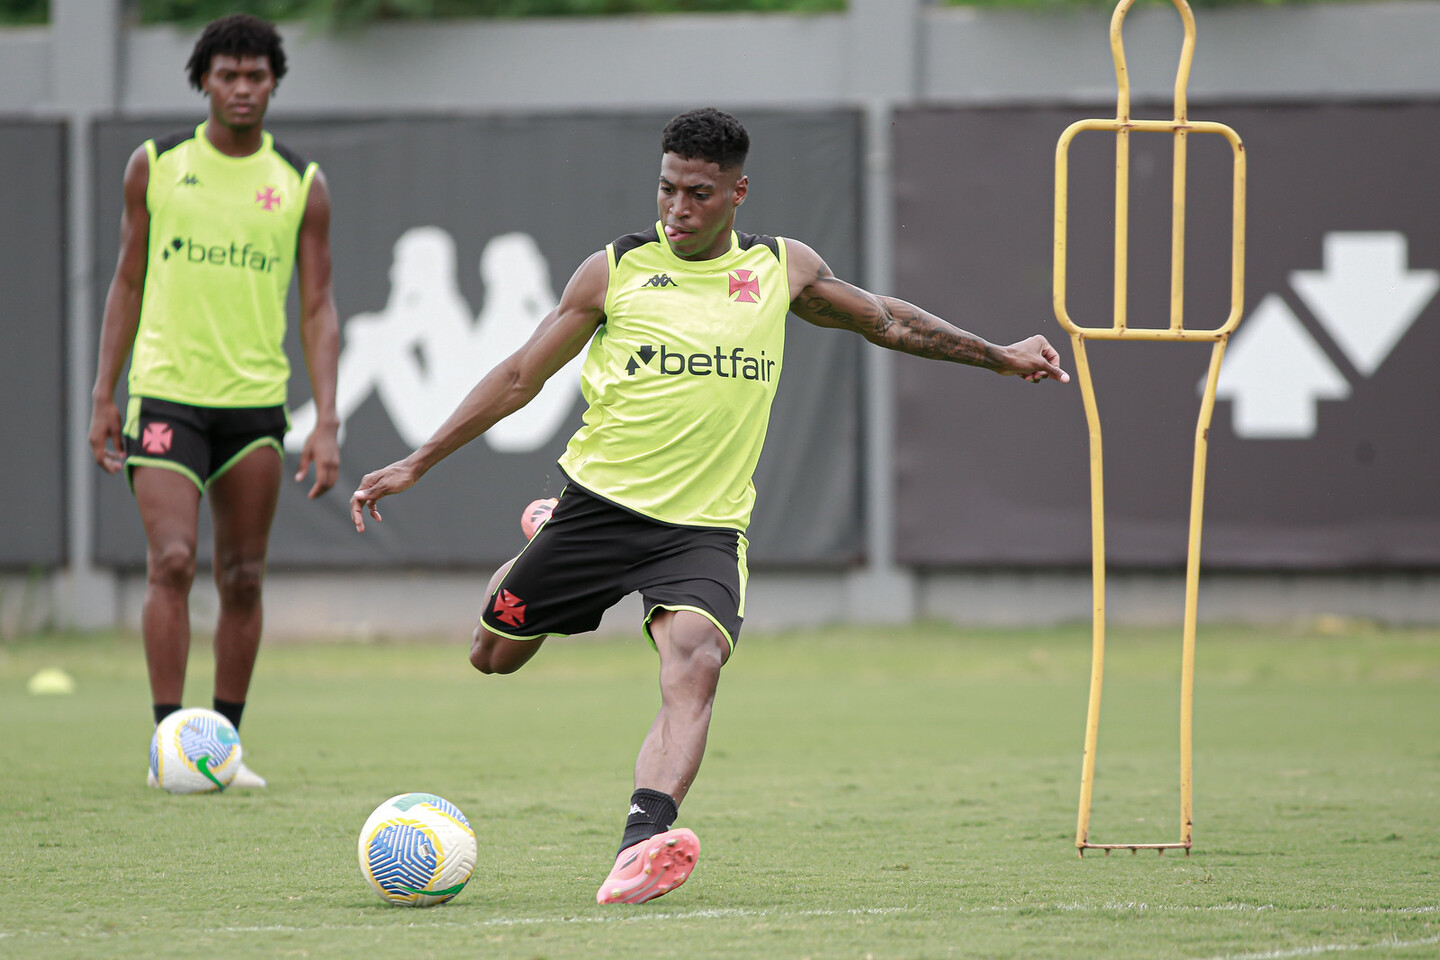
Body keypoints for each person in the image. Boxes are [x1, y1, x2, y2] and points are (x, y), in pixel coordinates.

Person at [348, 108, 1067, 903]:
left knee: (696, 662)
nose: (677, 210)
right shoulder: (614, 270)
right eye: (666, 190)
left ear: (738, 193)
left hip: (702, 528)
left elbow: (889, 319)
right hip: (597, 509)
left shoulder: (780, 269)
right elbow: (522, 378)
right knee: (495, 658)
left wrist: (999, 357)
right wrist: (416, 462)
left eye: (697, 193)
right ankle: (534, 543)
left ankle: (639, 843)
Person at [88, 14, 340, 789]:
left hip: (255, 407)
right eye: (227, 74)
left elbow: (320, 304)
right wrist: (105, 394)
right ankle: (172, 745)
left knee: (244, 578)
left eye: (255, 76)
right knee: (171, 561)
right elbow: (126, 280)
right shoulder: (157, 165)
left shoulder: (301, 182)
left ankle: (223, 748)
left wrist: (327, 419)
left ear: (273, 84)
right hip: (165, 395)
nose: (241, 88)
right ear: (203, 80)